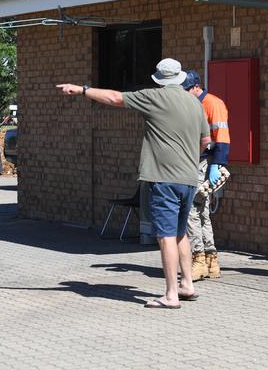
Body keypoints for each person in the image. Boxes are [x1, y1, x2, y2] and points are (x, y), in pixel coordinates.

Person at [56, 58, 210, 309]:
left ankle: (171, 295)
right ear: (180, 78)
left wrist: (82, 90)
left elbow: (115, 98)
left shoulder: (154, 97)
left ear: (159, 79)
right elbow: (205, 141)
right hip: (189, 178)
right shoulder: (195, 103)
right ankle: (187, 284)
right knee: (181, 233)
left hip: (164, 178)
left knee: (166, 236)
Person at [181, 70, 230, 281]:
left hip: (204, 162)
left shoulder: (212, 103)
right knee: (201, 212)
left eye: (186, 90)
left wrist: (217, 164)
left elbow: (222, 136)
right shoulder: (192, 103)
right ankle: (211, 259)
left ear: (196, 87)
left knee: (192, 210)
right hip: (196, 161)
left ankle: (198, 258)